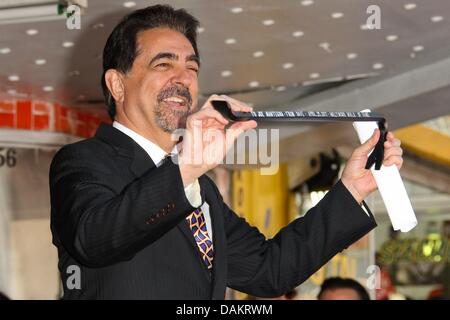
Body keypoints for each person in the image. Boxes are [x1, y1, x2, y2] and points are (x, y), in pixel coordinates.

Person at [49, 5, 404, 299]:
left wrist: (352, 190)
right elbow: (93, 239)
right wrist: (185, 168)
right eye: (163, 64)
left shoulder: (198, 188)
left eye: (192, 67)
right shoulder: (84, 161)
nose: (183, 77)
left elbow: (270, 270)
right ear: (117, 83)